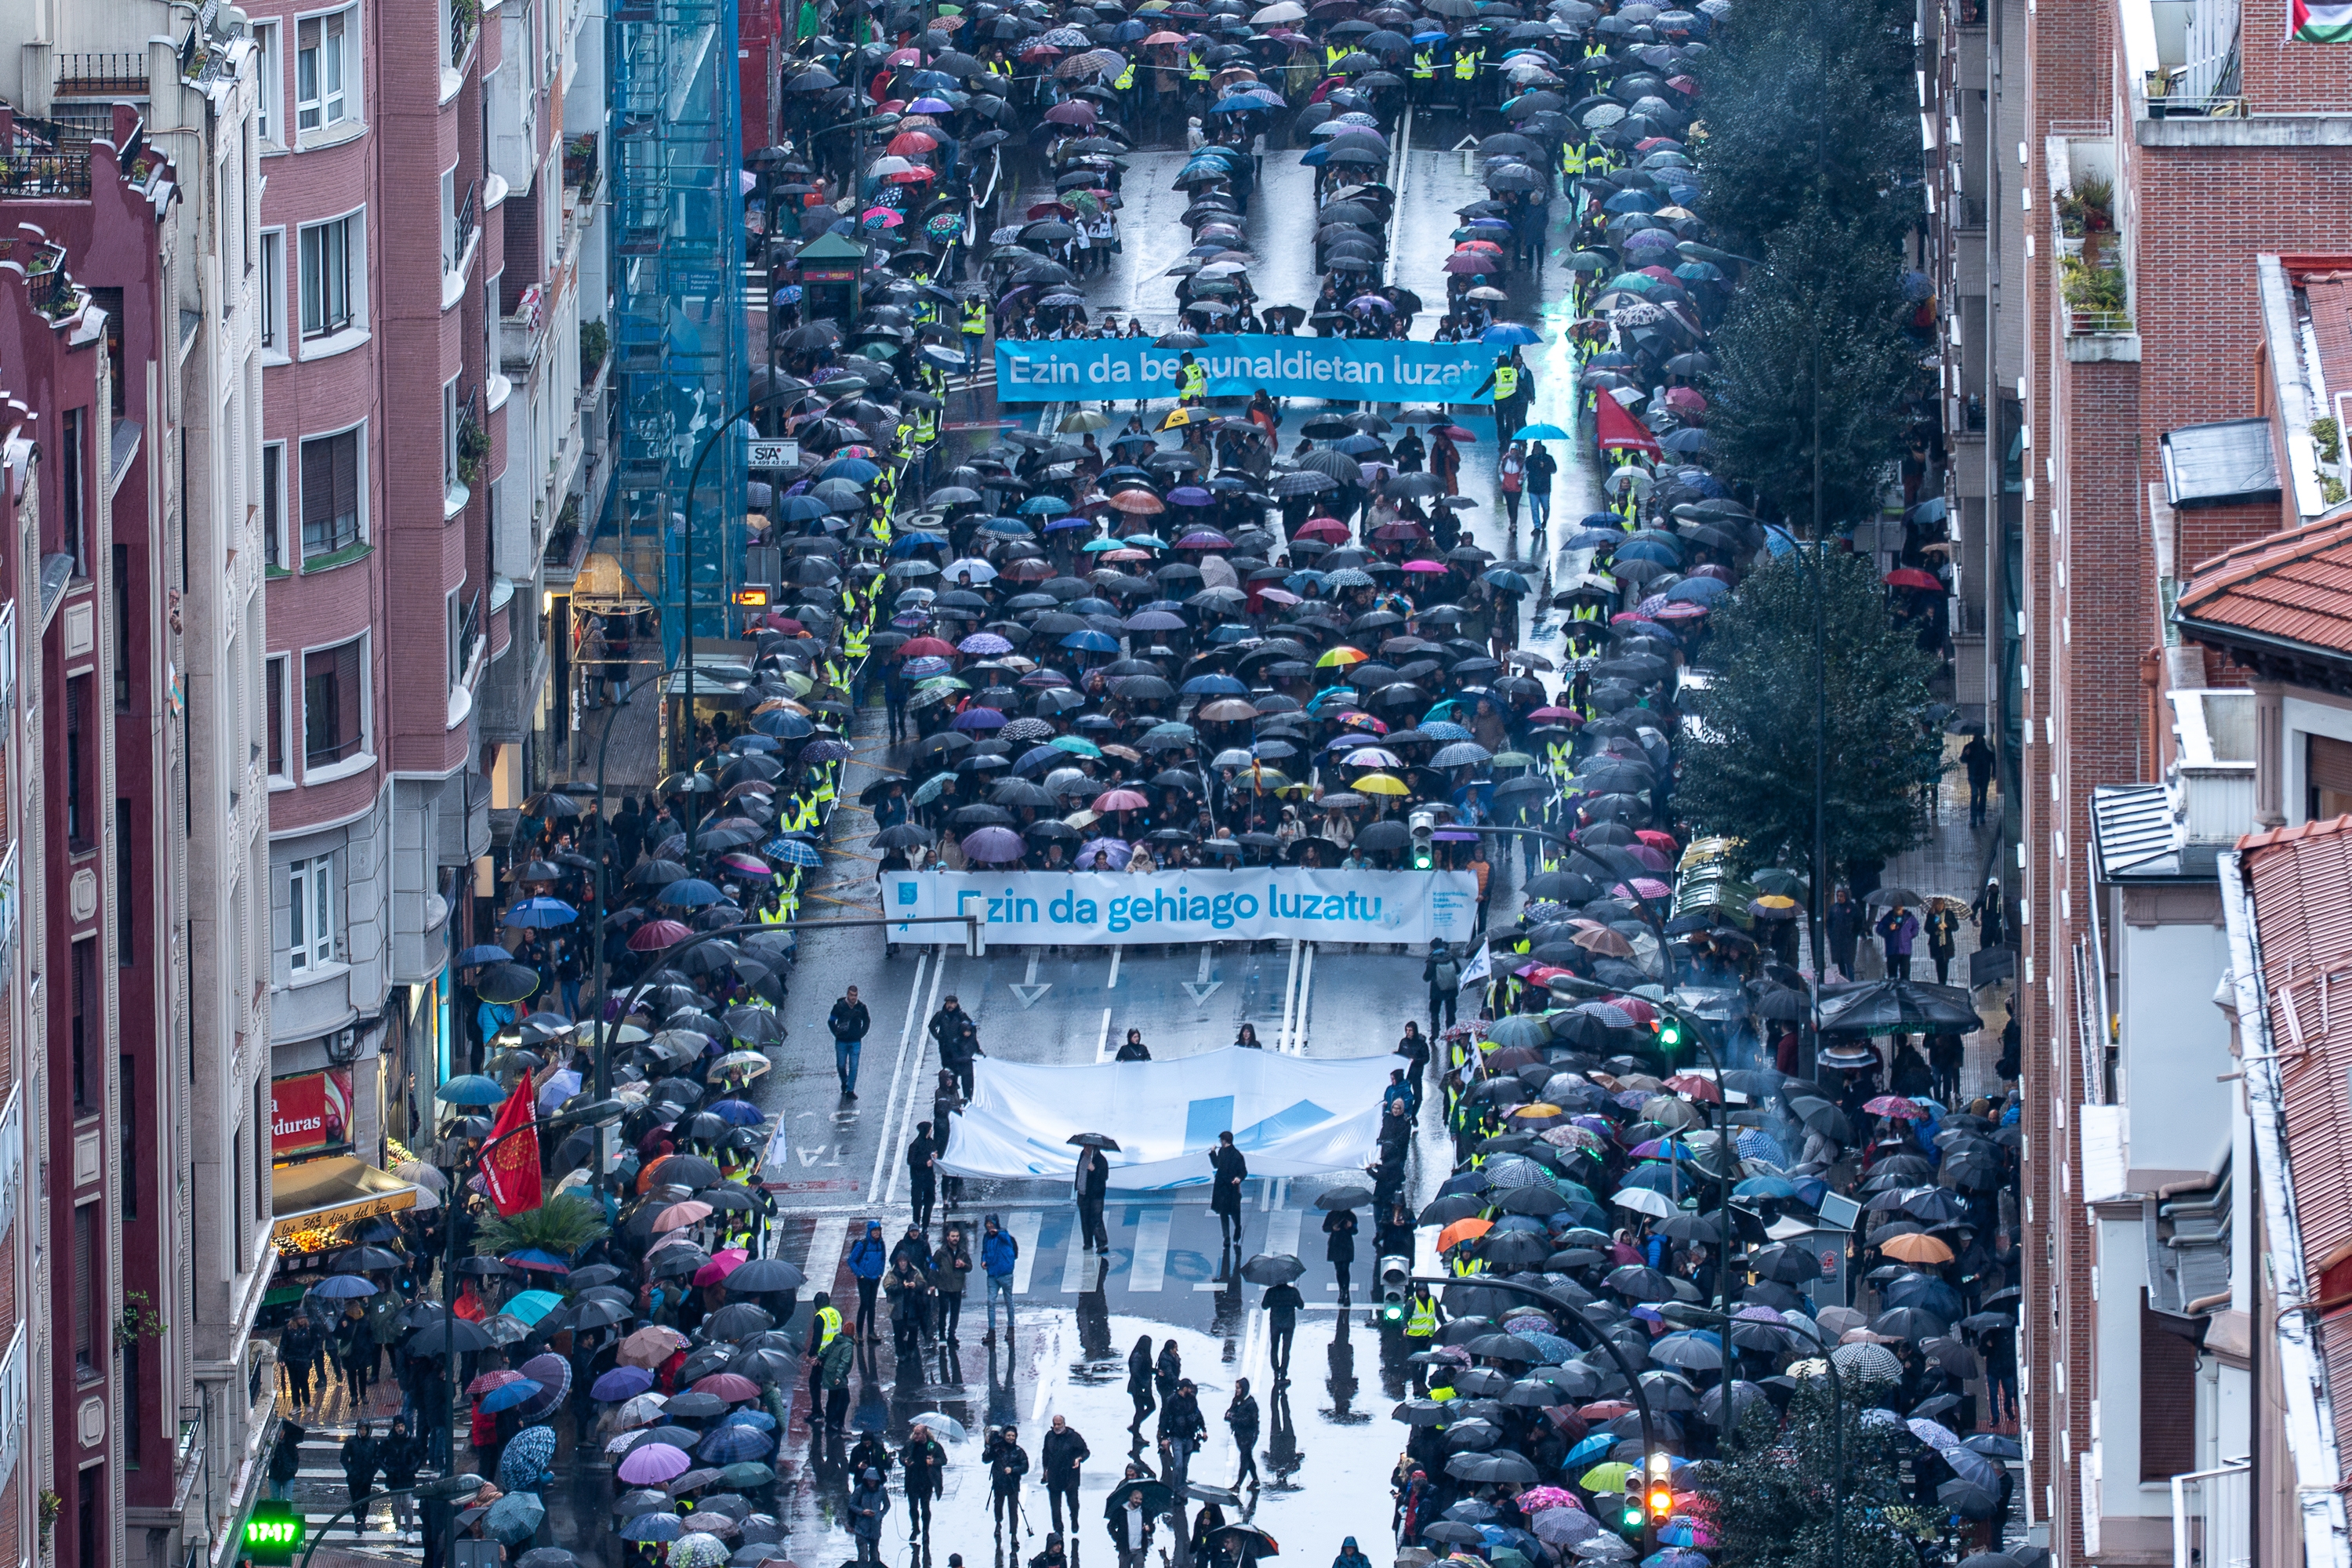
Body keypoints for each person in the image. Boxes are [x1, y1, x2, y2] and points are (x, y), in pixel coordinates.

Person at [1040, 1413, 1091, 1534]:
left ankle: (1074, 1519)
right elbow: (1045, 1454)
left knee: (1073, 1502)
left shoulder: (1073, 1437)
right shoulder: (1049, 1436)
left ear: (1064, 1424)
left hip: (1070, 1475)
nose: (1057, 1427)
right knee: (1055, 1505)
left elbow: (1085, 1452)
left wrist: (1079, 1459)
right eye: (1055, 1424)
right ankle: (1058, 1528)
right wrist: (1045, 1471)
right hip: (1054, 1475)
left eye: (1059, 1424)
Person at [902, 1422, 949, 1540]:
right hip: (912, 1480)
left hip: (926, 1481)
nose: (915, 1436)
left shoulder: (933, 1446)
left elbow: (943, 1460)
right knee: (913, 1507)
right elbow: (901, 1456)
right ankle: (915, 1527)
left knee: (925, 1507)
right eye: (914, 1433)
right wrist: (905, 1461)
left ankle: (925, 1530)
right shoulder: (910, 1445)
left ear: (924, 1434)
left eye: (918, 1434)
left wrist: (933, 1461)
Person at [378, 1416, 423, 1537]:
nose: (400, 1429)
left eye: (402, 1426)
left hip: (407, 1478)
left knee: (408, 1504)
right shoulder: (388, 1442)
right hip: (394, 1478)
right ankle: (399, 1527)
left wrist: (413, 1469)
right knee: (395, 1505)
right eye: (397, 1427)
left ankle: (409, 1530)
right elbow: (380, 1458)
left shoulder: (412, 1441)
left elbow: (420, 1456)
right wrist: (388, 1470)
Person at [1158, 1378, 1205, 1490]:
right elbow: (1164, 1419)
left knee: (1184, 1464)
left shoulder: (1192, 1400)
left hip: (1189, 1435)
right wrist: (1164, 1437)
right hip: (1177, 1436)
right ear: (1184, 1388)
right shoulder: (1172, 1401)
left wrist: (1203, 1429)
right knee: (1178, 1464)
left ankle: (1182, 1485)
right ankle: (1176, 1488)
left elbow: (1197, 1414)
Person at [848, 1219, 888, 1342]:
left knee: (872, 1305)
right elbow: (851, 1260)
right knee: (864, 1304)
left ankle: (871, 1332)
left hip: (875, 1279)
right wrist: (859, 1274)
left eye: (878, 1231)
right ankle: (859, 1333)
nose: (877, 1233)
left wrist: (880, 1273)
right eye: (874, 1231)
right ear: (870, 1232)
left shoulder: (881, 1244)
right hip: (864, 1279)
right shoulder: (862, 1245)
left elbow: (882, 1259)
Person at [932, 1225, 971, 1348]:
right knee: (943, 1311)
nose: (955, 1238)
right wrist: (933, 1283)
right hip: (944, 1286)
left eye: (957, 1236)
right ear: (948, 1238)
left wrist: (963, 1264)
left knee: (955, 1312)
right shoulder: (941, 1253)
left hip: (957, 1286)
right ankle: (942, 1334)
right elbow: (933, 1267)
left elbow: (970, 1267)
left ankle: (952, 1334)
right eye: (953, 1236)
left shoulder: (962, 1253)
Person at [982, 1212, 1019, 1343]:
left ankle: (1011, 1328)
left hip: (1005, 1274)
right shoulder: (986, 1237)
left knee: (1008, 1301)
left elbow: (1005, 1237)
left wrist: (997, 1232)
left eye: (991, 1224)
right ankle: (991, 1331)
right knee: (991, 1302)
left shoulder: (1003, 1234)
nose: (989, 1226)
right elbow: (985, 1251)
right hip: (992, 1275)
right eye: (987, 1224)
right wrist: (984, 1260)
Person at [829, 985, 872, 1098]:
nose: (854, 998)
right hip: (841, 1042)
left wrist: (861, 1034)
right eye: (852, 995)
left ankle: (850, 1089)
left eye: (855, 995)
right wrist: (836, 1033)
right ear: (848, 995)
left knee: (854, 1066)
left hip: (855, 1042)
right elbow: (831, 1021)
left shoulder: (861, 1008)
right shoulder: (839, 1007)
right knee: (841, 1065)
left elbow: (867, 1020)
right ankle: (845, 1081)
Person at [339, 1423, 380, 1541]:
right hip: (354, 1477)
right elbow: (344, 1458)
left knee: (365, 1499)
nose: (363, 1432)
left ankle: (363, 1518)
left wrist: (372, 1472)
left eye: (365, 1429)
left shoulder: (373, 1443)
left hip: (367, 1477)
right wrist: (351, 1471)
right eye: (361, 1429)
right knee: (355, 1500)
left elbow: (377, 1459)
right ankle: (358, 1520)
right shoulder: (351, 1442)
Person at [989, 1425, 1032, 1538]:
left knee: (1013, 1510)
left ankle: (1013, 1533)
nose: (1011, 1438)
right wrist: (988, 1446)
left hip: (1013, 1484)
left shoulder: (1019, 1451)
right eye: (1008, 1435)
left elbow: (1025, 1467)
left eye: (1013, 1436)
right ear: (1004, 1436)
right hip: (999, 1484)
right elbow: (986, 1459)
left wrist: (1013, 1470)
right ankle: (998, 1524)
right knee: (998, 1506)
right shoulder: (997, 1449)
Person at [1210, 1131, 1248, 1250]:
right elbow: (1217, 1165)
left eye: (1222, 1140)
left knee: (1234, 1212)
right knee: (1223, 1212)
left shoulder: (1237, 1155)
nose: (1221, 1142)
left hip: (1231, 1188)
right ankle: (1226, 1236)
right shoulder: (1221, 1151)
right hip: (1222, 1187)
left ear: (1225, 1140)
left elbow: (1243, 1171)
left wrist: (1238, 1178)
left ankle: (1237, 1229)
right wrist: (1213, 1153)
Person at [1262, 1275, 1304, 1385]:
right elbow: (1301, 1306)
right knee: (1286, 1349)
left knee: (1274, 1347)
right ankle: (1284, 1373)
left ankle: (1276, 1370)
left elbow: (1264, 1306)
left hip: (1275, 1323)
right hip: (1289, 1323)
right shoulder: (1293, 1291)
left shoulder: (1271, 1291)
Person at [1109, 1476, 1156, 1568]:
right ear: (1130, 1498)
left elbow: (1152, 1526)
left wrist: (1149, 1528)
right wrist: (1117, 1537)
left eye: (1140, 1499)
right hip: (1125, 1549)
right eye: (1136, 1498)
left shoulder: (1145, 1512)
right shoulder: (1121, 1511)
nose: (1138, 1501)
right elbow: (1111, 1526)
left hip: (1140, 1550)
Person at [850, 1466, 893, 1565]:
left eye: (873, 1481)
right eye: (869, 1481)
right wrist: (862, 1512)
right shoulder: (859, 1490)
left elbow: (887, 1505)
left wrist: (879, 1515)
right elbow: (852, 1504)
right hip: (861, 1526)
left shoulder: (881, 1490)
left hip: (875, 1527)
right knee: (863, 1555)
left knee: (874, 1556)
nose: (871, 1483)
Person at [1226, 1377, 1261, 1491]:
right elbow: (1229, 1412)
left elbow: (1250, 1421)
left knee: (1244, 1458)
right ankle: (1255, 1480)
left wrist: (1235, 1419)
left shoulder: (1251, 1404)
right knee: (1248, 1457)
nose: (1236, 1391)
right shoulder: (1236, 1400)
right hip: (1239, 1435)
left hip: (1249, 1435)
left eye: (1238, 1388)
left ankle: (1238, 1485)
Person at [1076, 1144, 1112, 1252]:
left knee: (1096, 1219)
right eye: (1085, 1147)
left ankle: (1101, 1244)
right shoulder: (1083, 1156)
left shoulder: (1101, 1160)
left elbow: (1104, 1177)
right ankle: (1088, 1242)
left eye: (1087, 1147)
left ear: (1093, 1149)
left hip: (1095, 1195)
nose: (1085, 1149)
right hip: (1083, 1194)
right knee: (1085, 1219)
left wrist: (1094, 1170)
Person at [1423, 940, 1461, 1036]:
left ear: (1432, 948)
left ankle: (1435, 1035)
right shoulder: (1450, 957)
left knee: (1435, 1014)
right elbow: (1458, 970)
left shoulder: (1432, 960)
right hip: (1451, 990)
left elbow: (1426, 978)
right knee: (1451, 1013)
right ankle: (1451, 1033)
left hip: (1437, 991)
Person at [1323, 1204, 1359, 1306]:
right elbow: (1325, 1228)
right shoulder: (1332, 1215)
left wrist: (1350, 1226)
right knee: (1339, 1269)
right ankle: (1341, 1291)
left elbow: (1355, 1231)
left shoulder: (1351, 1216)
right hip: (1335, 1244)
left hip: (1346, 1245)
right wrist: (1332, 1228)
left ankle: (1346, 1291)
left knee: (1345, 1269)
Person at [907, 1120, 940, 1231]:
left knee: (929, 1202)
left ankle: (925, 1225)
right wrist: (925, 1163)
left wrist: (935, 1155)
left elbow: (935, 1150)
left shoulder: (931, 1142)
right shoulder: (915, 1145)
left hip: (929, 1178)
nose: (931, 1131)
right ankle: (916, 1222)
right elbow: (911, 1161)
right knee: (917, 1203)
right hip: (918, 1179)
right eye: (930, 1129)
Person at [1826, 886, 1864, 979]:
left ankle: (1851, 981)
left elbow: (1859, 922)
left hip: (1849, 941)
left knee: (1849, 963)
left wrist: (1854, 934)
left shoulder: (1853, 908)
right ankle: (1843, 980)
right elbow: (1829, 922)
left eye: (1842, 896)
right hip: (1837, 941)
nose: (1839, 898)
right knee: (1840, 962)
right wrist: (1831, 935)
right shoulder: (1834, 908)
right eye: (1838, 896)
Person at [1962, 732, 1997, 827]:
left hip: (1984, 775)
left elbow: (1994, 760)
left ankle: (1981, 814)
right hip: (1973, 775)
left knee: (1983, 795)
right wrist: (1966, 754)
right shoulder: (1969, 747)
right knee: (1974, 794)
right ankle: (1973, 817)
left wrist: (1994, 772)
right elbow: (1962, 759)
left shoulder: (1988, 747)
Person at [1876, 902, 1919, 979]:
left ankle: (1905, 990)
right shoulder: (1888, 917)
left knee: (1905, 974)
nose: (1898, 907)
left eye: (1900, 905)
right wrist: (1889, 929)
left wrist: (1910, 934)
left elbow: (1916, 927)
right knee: (1892, 976)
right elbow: (1879, 930)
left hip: (1905, 950)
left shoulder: (1909, 917)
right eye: (1895, 905)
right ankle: (1893, 990)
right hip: (1892, 950)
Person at [1126, 1334, 1158, 1433]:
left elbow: (1145, 1369)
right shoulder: (1138, 1355)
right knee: (1143, 1409)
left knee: (1144, 1408)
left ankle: (1135, 1428)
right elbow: (1135, 1372)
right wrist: (1143, 1385)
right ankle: (1135, 1430)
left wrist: (1156, 1372)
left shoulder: (1142, 1355)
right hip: (1139, 1388)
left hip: (1141, 1387)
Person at [1926, 900, 1962, 985]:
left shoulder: (1949, 914)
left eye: (1941, 904)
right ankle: (1941, 982)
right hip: (1936, 943)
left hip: (1946, 943)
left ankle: (1943, 982)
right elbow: (1927, 928)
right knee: (1939, 962)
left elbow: (1955, 927)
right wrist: (1935, 927)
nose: (1939, 906)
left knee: (1945, 962)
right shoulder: (1932, 915)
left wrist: (1947, 924)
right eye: (1937, 905)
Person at [268, 1419, 306, 1502]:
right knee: (274, 1500)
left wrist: (291, 1470)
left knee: (287, 1499)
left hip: (288, 1476)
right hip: (275, 1476)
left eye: (282, 1431)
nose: (281, 1433)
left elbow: (295, 1459)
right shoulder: (273, 1445)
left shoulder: (290, 1444)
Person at [1524, 441, 1557, 534]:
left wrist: (1545, 465)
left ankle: (1545, 521)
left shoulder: (1548, 458)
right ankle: (1537, 526)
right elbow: (1527, 468)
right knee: (1534, 508)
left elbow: (1554, 470)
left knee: (1546, 507)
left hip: (1544, 488)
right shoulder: (1530, 459)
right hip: (1533, 488)